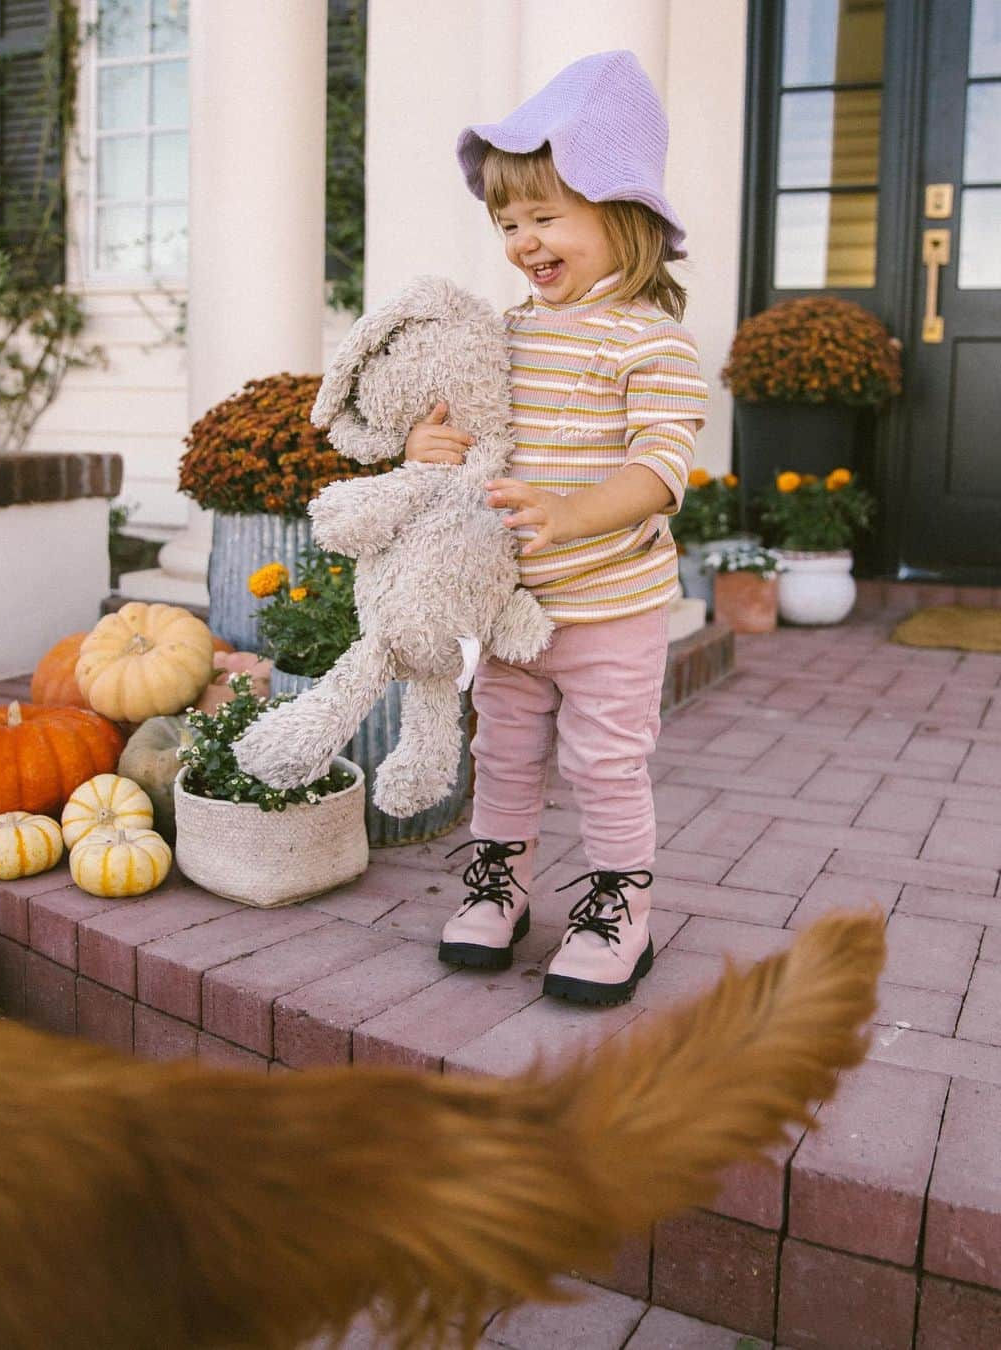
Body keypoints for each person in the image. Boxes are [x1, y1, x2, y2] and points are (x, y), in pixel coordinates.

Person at [405, 50, 708, 1007]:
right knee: (503, 750)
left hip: (613, 605)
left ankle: (621, 906)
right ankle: (502, 890)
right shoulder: (508, 330)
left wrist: (574, 512)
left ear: (622, 211)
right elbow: (475, 430)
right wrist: (431, 442)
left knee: (607, 764)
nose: (523, 240)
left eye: (545, 216)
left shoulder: (653, 340)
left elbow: (661, 469)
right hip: (512, 605)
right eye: (506, 222)